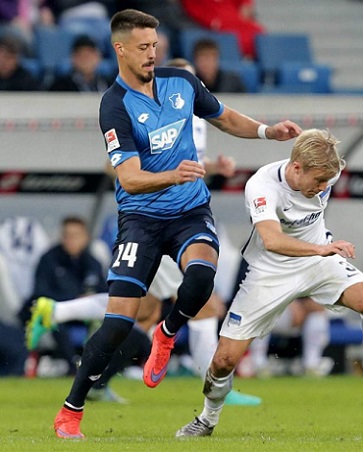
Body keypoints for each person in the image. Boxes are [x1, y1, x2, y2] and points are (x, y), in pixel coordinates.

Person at [53, 8, 301, 440]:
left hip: (189, 212)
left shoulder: (181, 82)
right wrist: (175, 173)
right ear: (121, 49)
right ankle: (71, 410)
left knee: (203, 277)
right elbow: (129, 177)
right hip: (141, 220)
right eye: (144, 47)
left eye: (156, 46)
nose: (152, 54)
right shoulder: (114, 106)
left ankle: (167, 334)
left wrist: (267, 132)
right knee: (117, 325)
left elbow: (223, 115)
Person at [175, 128, 363, 437]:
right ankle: (207, 420)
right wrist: (321, 248)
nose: (322, 188)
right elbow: (272, 240)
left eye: (326, 182)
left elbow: (317, 148)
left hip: (318, 262)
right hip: (270, 271)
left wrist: (321, 250)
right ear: (295, 168)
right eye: (318, 181)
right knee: (224, 360)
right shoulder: (262, 186)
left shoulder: (324, 170)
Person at [30, 216, 109, 376]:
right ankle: (73, 366)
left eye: (76, 235)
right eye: (67, 235)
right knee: (55, 319)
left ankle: (97, 366)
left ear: (86, 238)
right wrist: (73, 300)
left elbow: (103, 292)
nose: (71, 240)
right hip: (59, 309)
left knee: (107, 320)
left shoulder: (93, 262)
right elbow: (40, 293)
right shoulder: (49, 260)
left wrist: (87, 299)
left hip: (87, 314)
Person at [49, 34, 114, 92]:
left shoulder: (108, 84)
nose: (85, 59)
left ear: (98, 57)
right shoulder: (60, 86)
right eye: (81, 55)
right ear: (73, 58)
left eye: (89, 55)